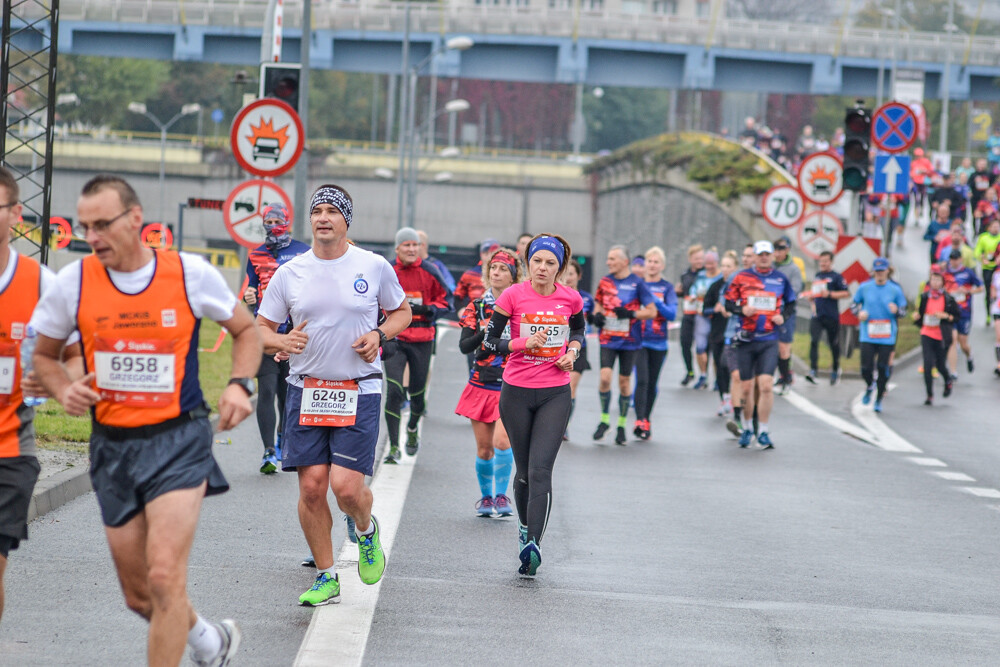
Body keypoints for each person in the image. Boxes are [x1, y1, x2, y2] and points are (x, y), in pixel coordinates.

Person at [31, 174, 260, 665]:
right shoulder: (73, 281)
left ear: (135, 219)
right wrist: (63, 387)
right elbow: (45, 356)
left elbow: (246, 331)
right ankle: (210, 641)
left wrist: (241, 384)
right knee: (140, 596)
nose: (90, 236)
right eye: (84, 226)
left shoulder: (188, 274)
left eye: (101, 224)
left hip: (179, 439)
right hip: (112, 446)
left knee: (163, 576)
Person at [256, 184, 410, 606]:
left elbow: (402, 312)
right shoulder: (291, 272)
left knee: (345, 489)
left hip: (358, 389)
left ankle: (365, 529)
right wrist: (280, 343)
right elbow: (262, 326)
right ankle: (326, 576)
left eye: (332, 211)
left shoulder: (373, 266)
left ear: (346, 220)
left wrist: (379, 334)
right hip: (305, 389)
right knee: (311, 489)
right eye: (317, 211)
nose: (323, 218)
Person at [0, 167, 82, 624]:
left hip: (9, 451)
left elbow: (74, 359)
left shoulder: (40, 284)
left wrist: (53, 383)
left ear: (15, 213)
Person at [481, 234, 585, 577]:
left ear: (561, 268)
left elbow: (579, 331)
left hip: (556, 392)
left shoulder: (571, 298)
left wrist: (572, 352)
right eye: (537, 261)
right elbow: (490, 342)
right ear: (528, 264)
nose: (542, 268)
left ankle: (533, 545)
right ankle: (525, 528)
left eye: (550, 263)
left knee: (542, 470)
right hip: (517, 392)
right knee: (524, 472)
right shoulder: (512, 295)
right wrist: (524, 342)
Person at [243, 203, 310, 474]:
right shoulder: (255, 255)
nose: (273, 226)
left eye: (277, 221)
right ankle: (269, 450)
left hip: (293, 334)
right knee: (266, 391)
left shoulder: (303, 252)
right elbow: (251, 290)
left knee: (286, 395)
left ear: (288, 222)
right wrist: (249, 298)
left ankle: (283, 438)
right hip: (266, 334)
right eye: (268, 221)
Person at [456, 248, 521, 517]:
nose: (496, 273)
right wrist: (487, 333)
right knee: (484, 449)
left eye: (503, 269)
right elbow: (465, 347)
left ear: (513, 276)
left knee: (503, 442)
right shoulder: (477, 306)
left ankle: (502, 496)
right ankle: (486, 498)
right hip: (482, 383)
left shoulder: (521, 306)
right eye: (493, 268)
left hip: (511, 382)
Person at [383, 227, 451, 463]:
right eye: (406, 245)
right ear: (397, 249)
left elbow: (447, 300)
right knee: (393, 391)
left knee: (418, 396)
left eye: (415, 245)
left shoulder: (430, 271)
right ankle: (393, 446)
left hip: (422, 339)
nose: (412, 249)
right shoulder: (388, 271)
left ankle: (412, 428)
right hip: (394, 338)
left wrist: (428, 309)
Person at [724, 240, 797, 449]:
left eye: (767, 254)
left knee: (766, 385)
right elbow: (729, 303)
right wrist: (741, 310)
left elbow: (791, 303)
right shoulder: (741, 277)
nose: (764, 257)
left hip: (768, 339)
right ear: (754, 256)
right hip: (747, 339)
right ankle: (747, 428)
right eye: (760, 254)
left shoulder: (780, 279)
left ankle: (763, 430)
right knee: (746, 389)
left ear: (772, 256)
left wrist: (783, 316)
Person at [591, 245, 657, 445]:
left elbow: (652, 311)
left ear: (624, 262)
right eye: (608, 258)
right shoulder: (605, 281)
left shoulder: (638, 284)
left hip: (630, 341)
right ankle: (604, 421)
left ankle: (620, 425)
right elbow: (598, 304)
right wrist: (597, 316)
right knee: (605, 378)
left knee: (624, 382)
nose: (608, 262)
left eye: (612, 259)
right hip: (608, 339)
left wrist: (631, 314)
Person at [852, 257, 908, 413]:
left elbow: (904, 310)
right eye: (877, 272)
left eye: (882, 271)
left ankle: (878, 400)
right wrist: (859, 313)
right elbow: (854, 304)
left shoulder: (894, 289)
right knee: (865, 367)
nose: (879, 274)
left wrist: (897, 311)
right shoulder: (864, 287)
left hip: (886, 336)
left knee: (883, 367)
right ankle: (870, 385)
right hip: (867, 334)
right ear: (873, 272)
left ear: (887, 271)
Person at [634, 246, 677, 440]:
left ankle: (647, 419)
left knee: (652, 383)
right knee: (641, 380)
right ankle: (639, 420)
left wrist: (656, 302)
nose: (652, 265)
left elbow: (671, 314)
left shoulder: (667, 288)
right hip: (639, 340)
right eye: (649, 261)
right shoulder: (637, 285)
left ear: (662, 266)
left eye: (655, 262)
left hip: (659, 343)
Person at [558, 259, 594, 440]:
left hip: (578, 349)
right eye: (564, 274)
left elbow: (593, 319)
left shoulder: (586, 299)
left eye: (571, 274)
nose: (568, 278)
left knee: (570, 388)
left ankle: (564, 426)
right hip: (556, 348)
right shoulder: (556, 297)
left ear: (579, 276)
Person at [801, 251, 850, 385]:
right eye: (821, 261)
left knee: (833, 344)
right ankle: (813, 370)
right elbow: (814, 293)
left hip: (831, 316)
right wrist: (811, 297)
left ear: (831, 262)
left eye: (825, 261)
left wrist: (830, 294)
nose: (822, 264)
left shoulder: (836, 277)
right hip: (817, 315)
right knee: (814, 341)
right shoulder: (817, 276)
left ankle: (835, 369)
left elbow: (846, 293)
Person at [914, 268, 961, 405]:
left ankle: (947, 380)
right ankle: (929, 394)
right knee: (928, 365)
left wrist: (945, 316)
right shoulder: (925, 297)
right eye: (933, 279)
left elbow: (957, 317)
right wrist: (917, 317)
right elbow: (921, 316)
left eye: (937, 280)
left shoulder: (948, 299)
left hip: (941, 335)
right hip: (927, 333)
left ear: (942, 282)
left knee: (940, 365)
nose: (935, 283)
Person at [702, 251, 738, 417]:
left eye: (728, 266)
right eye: (723, 266)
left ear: (735, 268)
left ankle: (733, 398)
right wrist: (715, 309)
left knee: (729, 365)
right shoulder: (715, 287)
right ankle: (724, 398)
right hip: (717, 331)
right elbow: (704, 309)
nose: (725, 269)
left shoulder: (739, 285)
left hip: (735, 332)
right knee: (719, 364)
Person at [941, 248, 983, 377]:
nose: (954, 261)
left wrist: (968, 291)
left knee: (963, 343)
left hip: (964, 312)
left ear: (961, 259)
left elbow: (981, 287)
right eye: (952, 259)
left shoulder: (968, 273)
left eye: (956, 258)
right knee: (952, 340)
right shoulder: (945, 274)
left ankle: (969, 356)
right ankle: (953, 372)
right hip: (951, 313)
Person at [772, 236, 805, 393]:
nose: (777, 253)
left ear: (787, 250)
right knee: (773, 346)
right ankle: (781, 375)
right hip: (770, 313)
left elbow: (795, 290)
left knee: (784, 347)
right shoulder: (770, 266)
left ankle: (786, 378)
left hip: (786, 313)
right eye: (776, 249)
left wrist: (778, 295)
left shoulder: (793, 269)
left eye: (781, 249)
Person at [687, 250, 723, 390]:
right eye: (707, 263)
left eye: (712, 263)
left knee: (715, 348)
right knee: (700, 347)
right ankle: (703, 375)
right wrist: (693, 296)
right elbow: (693, 290)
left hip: (716, 317)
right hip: (702, 314)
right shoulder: (701, 276)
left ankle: (717, 378)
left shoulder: (721, 277)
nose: (709, 266)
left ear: (717, 263)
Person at [677, 244, 705, 385]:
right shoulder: (685, 274)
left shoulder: (707, 274)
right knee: (685, 344)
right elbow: (684, 291)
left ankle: (704, 374)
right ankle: (690, 371)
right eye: (696, 258)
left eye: (701, 258)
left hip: (703, 315)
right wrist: (679, 293)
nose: (699, 261)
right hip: (688, 314)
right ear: (690, 259)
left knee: (702, 347)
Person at [455, 238, 500, 313]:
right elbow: (457, 297)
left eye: (493, 253)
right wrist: (461, 310)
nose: (489, 256)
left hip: (498, 316)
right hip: (474, 316)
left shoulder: (505, 275)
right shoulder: (470, 275)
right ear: (481, 254)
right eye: (486, 253)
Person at [416, 229, 457, 294]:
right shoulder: (405, 265)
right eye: (408, 245)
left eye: (414, 244)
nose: (411, 248)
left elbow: (450, 287)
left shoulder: (436, 265)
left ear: (422, 245)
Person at [975, 217, 1000, 319]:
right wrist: (982, 258)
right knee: (989, 291)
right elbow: (977, 252)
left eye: (997, 227)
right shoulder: (983, 238)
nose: (996, 229)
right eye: (993, 226)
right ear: (989, 228)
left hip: (998, 269)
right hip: (987, 268)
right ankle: (988, 313)